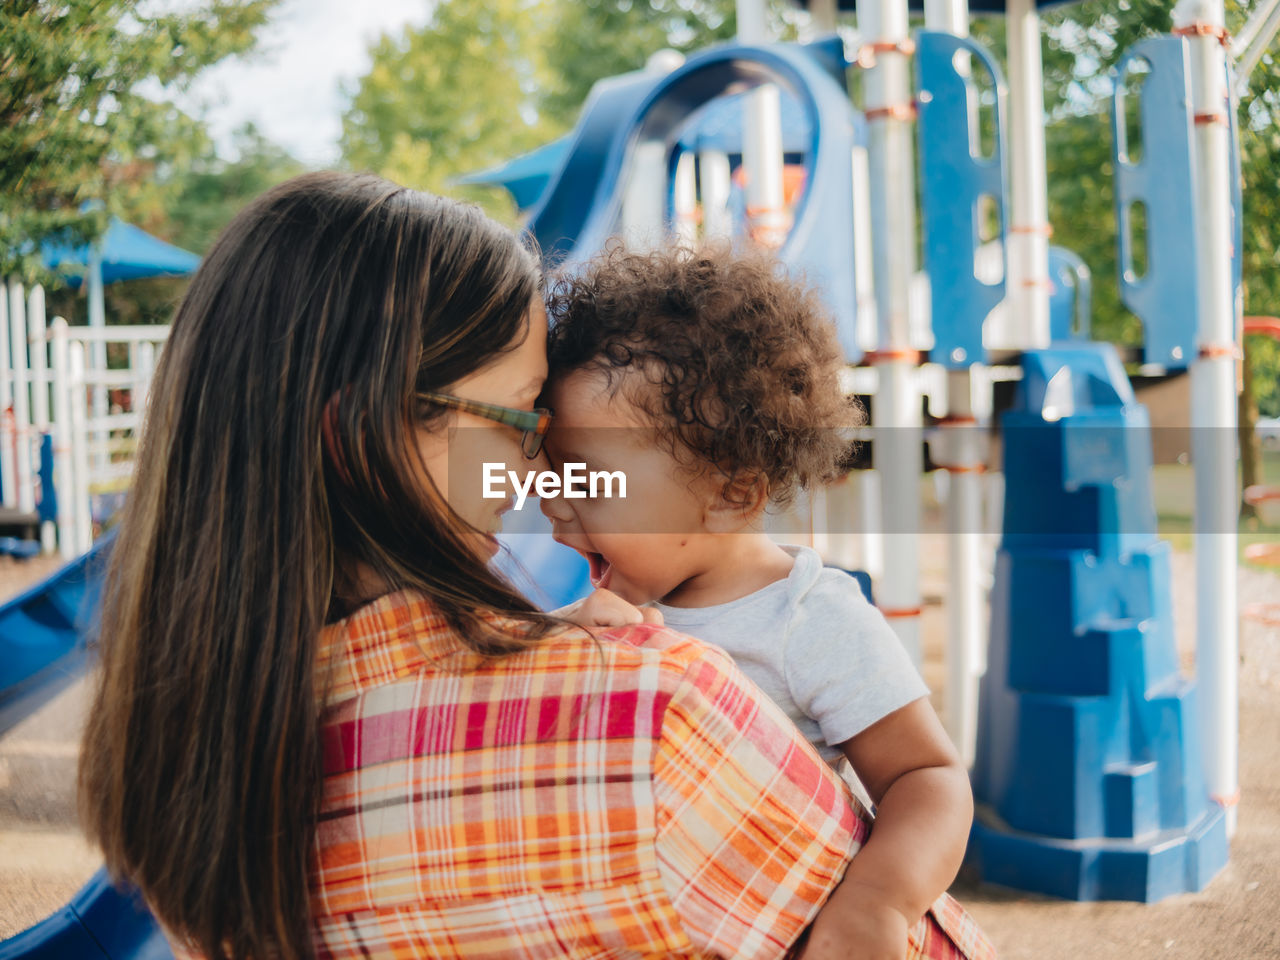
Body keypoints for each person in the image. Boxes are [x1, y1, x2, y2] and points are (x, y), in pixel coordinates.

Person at [77, 172, 923, 960]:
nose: (533, 484)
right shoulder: (657, 712)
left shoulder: (196, 763)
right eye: (522, 424)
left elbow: (925, 778)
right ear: (364, 434)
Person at [539, 243, 994, 960]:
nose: (557, 511)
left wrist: (877, 902)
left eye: (590, 484)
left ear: (732, 493)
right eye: (550, 479)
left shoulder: (809, 619)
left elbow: (926, 777)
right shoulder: (590, 611)